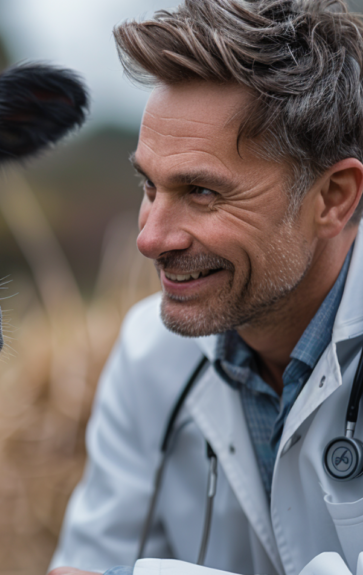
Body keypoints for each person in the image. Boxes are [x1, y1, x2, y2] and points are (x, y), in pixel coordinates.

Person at [49, 1, 363, 574]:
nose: (150, 239)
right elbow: (89, 564)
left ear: (333, 198)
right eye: (149, 186)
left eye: (201, 192)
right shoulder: (149, 354)